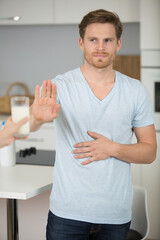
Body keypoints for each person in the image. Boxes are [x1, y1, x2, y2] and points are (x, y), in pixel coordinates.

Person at [30, 9, 157, 240]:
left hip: (115, 217)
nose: (100, 47)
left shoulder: (135, 90)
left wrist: (112, 148)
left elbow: (149, 152)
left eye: (108, 40)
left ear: (118, 43)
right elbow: (29, 125)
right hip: (66, 215)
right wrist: (37, 118)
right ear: (81, 43)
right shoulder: (61, 86)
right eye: (93, 40)